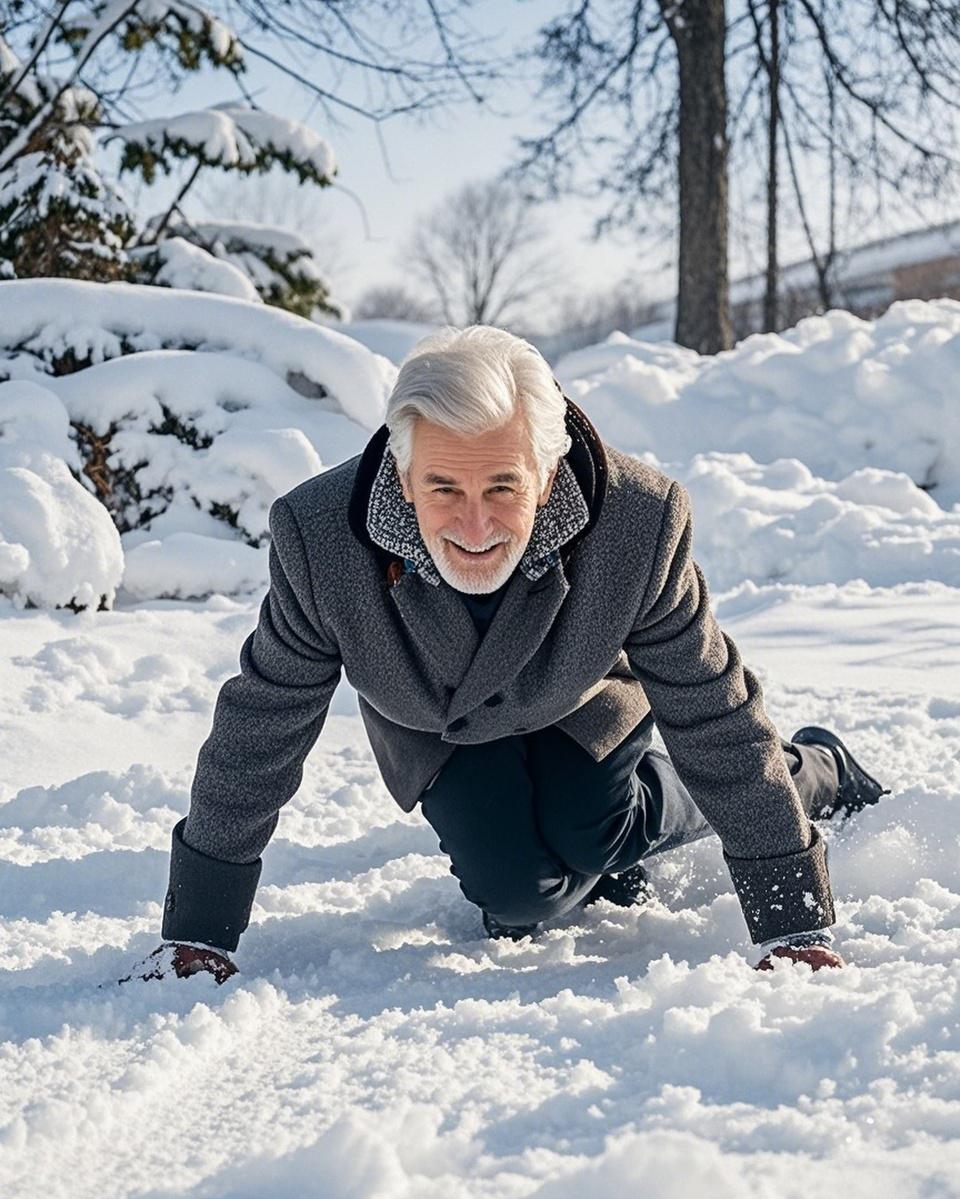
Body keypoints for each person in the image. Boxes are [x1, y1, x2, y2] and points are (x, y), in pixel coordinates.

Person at [120, 325, 889, 987]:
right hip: (437, 717)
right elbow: (262, 722)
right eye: (443, 488)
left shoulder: (639, 522)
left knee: (595, 831)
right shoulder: (320, 540)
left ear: (547, 475)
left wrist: (791, 920)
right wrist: (202, 931)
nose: (475, 525)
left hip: (581, 696)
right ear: (402, 473)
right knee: (521, 900)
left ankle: (813, 768)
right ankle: (602, 860)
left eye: (502, 487)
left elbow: (711, 710)